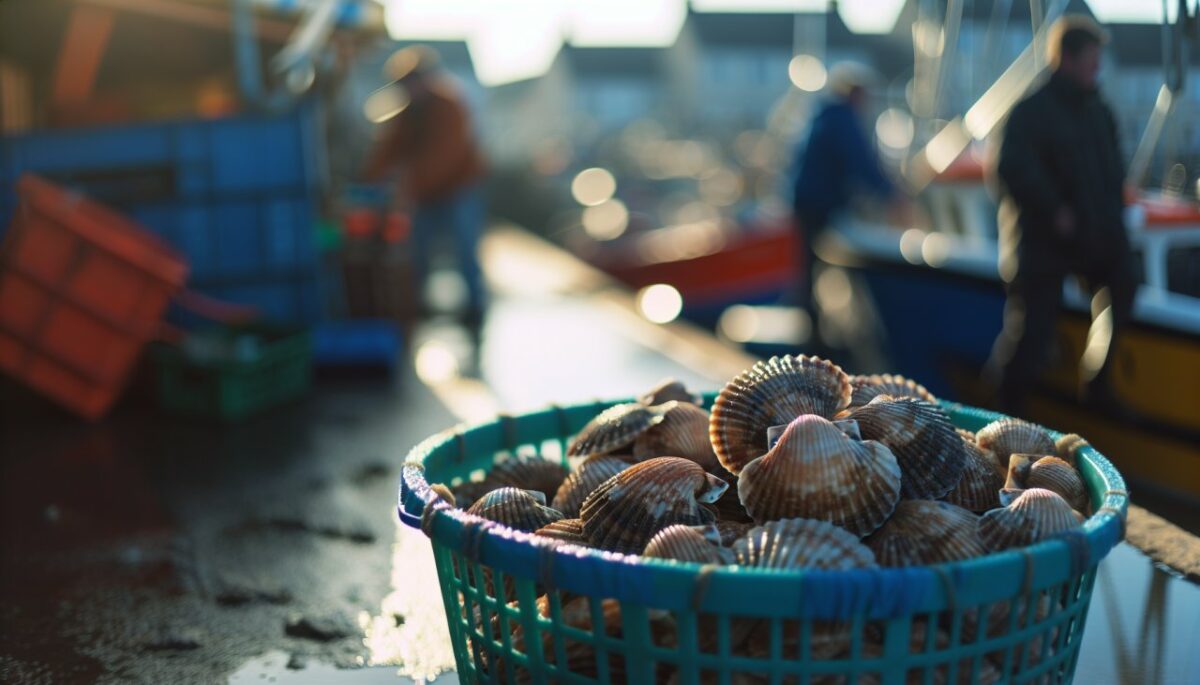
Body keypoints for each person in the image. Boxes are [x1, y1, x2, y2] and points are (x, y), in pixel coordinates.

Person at [987, 16, 1135, 415]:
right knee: (1029, 335)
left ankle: (1096, 383)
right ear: (1066, 60)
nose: (1097, 69)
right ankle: (1003, 414)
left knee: (1124, 277)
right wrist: (1054, 210)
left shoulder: (1098, 113)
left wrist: (1113, 224)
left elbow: (1111, 175)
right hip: (1040, 245)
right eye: (1091, 60)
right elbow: (1009, 169)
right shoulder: (1031, 112)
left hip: (1092, 240)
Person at [363, 45, 488, 321]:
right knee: (418, 249)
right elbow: (387, 151)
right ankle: (416, 307)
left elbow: (443, 158)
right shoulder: (407, 114)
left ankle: (476, 309)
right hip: (426, 194)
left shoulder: (449, 106)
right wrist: (368, 184)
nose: (407, 88)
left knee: (465, 248)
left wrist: (408, 189)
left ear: (425, 79)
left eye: (411, 82)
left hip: (458, 189)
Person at [790, 62, 902, 348]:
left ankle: (814, 330)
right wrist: (892, 196)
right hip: (819, 205)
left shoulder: (823, 117)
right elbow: (861, 163)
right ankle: (818, 337)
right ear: (854, 93)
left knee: (809, 269)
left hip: (808, 202)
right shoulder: (842, 120)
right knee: (816, 269)